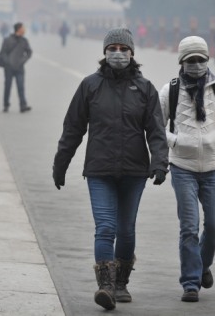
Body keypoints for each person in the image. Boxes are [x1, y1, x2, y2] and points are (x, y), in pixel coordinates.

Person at [52, 28, 169, 311]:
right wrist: (61, 163)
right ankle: (105, 285)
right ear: (104, 52)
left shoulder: (145, 88)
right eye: (112, 48)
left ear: (132, 53)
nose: (118, 53)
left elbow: (156, 130)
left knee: (126, 230)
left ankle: (121, 283)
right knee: (105, 227)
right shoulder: (90, 86)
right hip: (100, 170)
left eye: (123, 48)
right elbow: (73, 128)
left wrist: (160, 163)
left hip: (134, 171)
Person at [159, 36, 215, 303]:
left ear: (208, 60)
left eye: (200, 60)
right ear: (181, 62)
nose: (196, 65)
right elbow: (155, 127)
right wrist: (175, 141)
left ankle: (202, 264)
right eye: (190, 60)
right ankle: (191, 283)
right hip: (182, 167)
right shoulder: (169, 91)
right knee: (189, 227)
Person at [0, 22, 32, 113]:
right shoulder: (7, 40)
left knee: (21, 87)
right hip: (9, 68)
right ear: (19, 29)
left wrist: (22, 61)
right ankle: (6, 105)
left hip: (19, 68)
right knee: (7, 87)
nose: (24, 30)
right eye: (23, 28)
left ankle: (23, 105)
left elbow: (29, 52)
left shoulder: (24, 41)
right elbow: (3, 52)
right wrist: (7, 62)